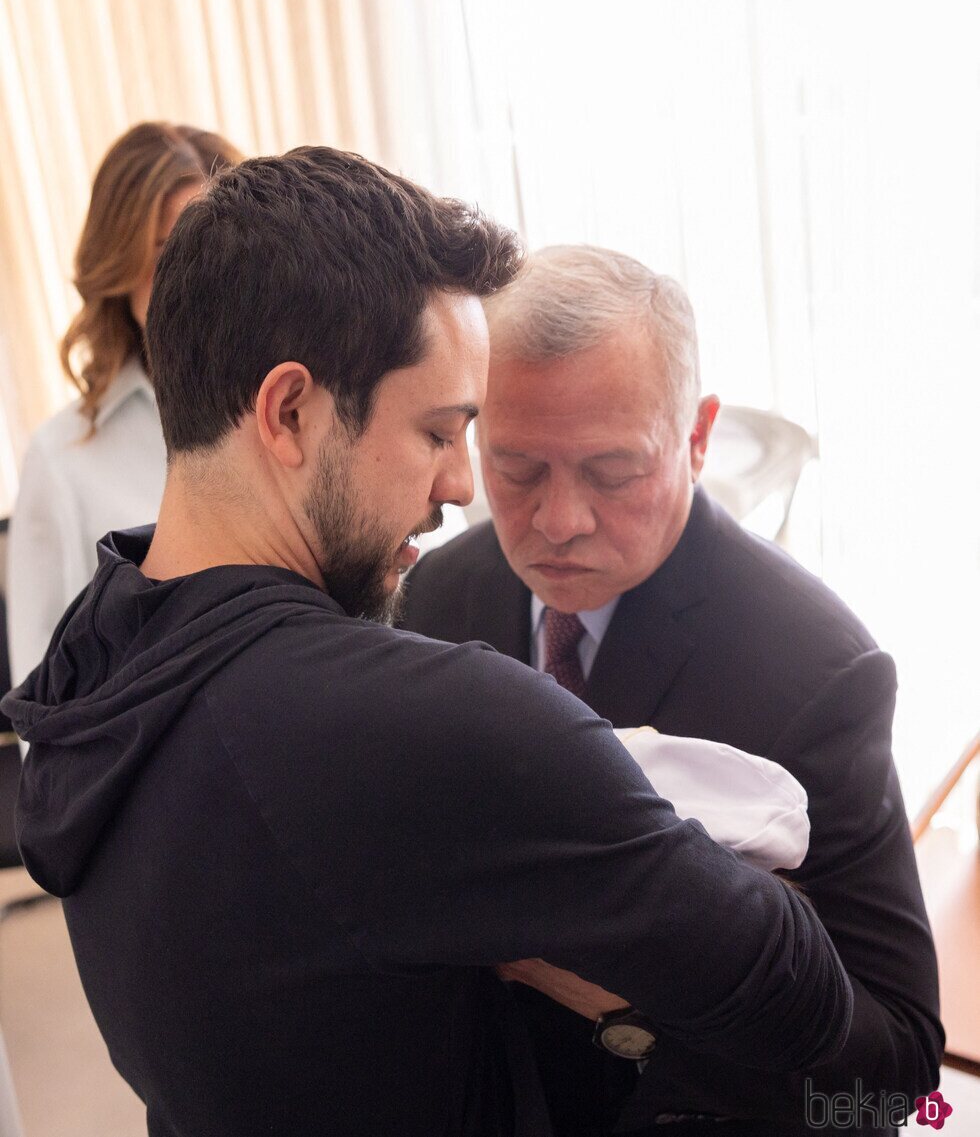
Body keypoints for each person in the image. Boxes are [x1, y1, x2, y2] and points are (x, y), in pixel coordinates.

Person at [3, 152, 854, 1137]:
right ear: (289, 413)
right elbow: (801, 992)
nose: (459, 489)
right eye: (438, 431)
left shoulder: (92, 656)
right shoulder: (417, 721)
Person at [401, 245, 944, 1136]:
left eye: (614, 473)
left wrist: (613, 998)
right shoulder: (434, 596)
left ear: (697, 437)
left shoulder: (816, 672)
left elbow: (893, 1073)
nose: (559, 520)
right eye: (518, 469)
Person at [5, 121, 243, 687]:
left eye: (214, 250)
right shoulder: (63, 461)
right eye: (168, 255)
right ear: (119, 269)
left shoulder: (300, 416)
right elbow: (43, 715)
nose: (196, 281)